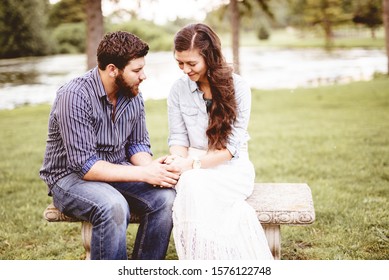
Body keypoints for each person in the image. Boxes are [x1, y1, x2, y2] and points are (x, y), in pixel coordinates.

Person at [39, 31, 180, 260]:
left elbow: (137, 144)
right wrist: (144, 173)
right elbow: (85, 166)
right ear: (113, 69)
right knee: (113, 206)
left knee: (165, 199)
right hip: (69, 177)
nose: (143, 76)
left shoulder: (133, 95)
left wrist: (155, 169)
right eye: (136, 70)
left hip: (117, 169)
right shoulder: (74, 95)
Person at [164, 23, 273, 260]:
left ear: (209, 56)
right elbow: (178, 137)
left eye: (191, 63)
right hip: (192, 164)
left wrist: (191, 166)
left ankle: (210, 259)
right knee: (189, 183)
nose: (185, 70)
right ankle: (204, 259)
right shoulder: (177, 89)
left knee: (192, 184)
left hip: (231, 169)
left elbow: (231, 149)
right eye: (179, 63)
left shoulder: (239, 88)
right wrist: (178, 160)